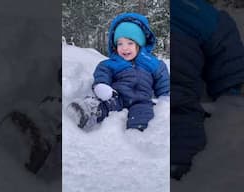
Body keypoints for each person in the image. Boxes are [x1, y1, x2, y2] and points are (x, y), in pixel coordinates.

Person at [170, 0, 244, 180]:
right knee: (178, 104)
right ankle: (177, 167)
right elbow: (227, 52)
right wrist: (231, 89)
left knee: (175, 102)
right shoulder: (198, 11)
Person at [67, 12, 170, 132]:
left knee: (143, 113)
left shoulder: (152, 62)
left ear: (139, 44)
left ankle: (138, 132)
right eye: (120, 43)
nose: (124, 48)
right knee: (103, 104)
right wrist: (102, 85)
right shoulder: (113, 63)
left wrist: (165, 98)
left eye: (130, 43)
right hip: (117, 97)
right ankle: (86, 111)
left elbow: (162, 81)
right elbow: (103, 72)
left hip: (142, 100)